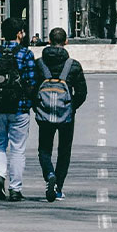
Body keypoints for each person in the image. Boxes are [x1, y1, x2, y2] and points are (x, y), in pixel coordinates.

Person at [0, 17, 37, 202]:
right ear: (19, 33)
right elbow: (31, 82)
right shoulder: (26, 54)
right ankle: (15, 188)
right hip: (19, 107)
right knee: (18, 148)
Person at [35, 27, 87, 202]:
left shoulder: (39, 63)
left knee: (44, 149)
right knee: (64, 150)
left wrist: (38, 106)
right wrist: (71, 107)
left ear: (49, 41)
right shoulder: (73, 65)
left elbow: (31, 89)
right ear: (66, 42)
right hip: (66, 113)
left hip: (45, 113)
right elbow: (82, 92)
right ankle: (58, 187)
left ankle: (49, 173)